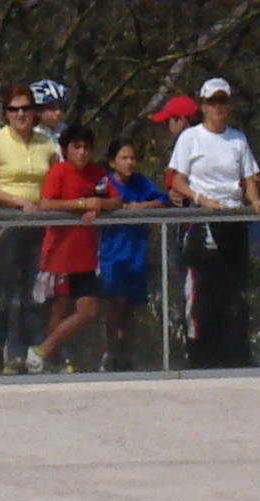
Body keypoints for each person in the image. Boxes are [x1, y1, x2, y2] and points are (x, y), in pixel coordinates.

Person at [166, 79, 260, 367]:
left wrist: (255, 200)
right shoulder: (190, 138)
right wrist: (202, 199)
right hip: (203, 221)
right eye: (212, 102)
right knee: (204, 291)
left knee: (234, 289)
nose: (218, 107)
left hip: (233, 219)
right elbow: (178, 181)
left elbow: (249, 180)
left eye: (223, 101)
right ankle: (201, 356)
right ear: (204, 106)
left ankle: (234, 354)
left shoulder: (238, 139)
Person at [33, 121, 112, 370]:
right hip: (59, 254)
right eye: (76, 147)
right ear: (66, 149)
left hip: (85, 256)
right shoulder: (59, 171)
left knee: (88, 310)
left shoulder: (96, 173)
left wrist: (99, 205)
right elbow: (46, 203)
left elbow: (114, 200)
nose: (82, 153)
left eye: (87, 147)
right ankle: (51, 361)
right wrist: (81, 204)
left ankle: (42, 351)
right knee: (58, 310)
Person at [94, 139, 168, 359]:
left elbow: (162, 201)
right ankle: (109, 352)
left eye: (132, 158)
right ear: (112, 162)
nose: (129, 163)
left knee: (130, 307)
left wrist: (142, 206)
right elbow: (94, 204)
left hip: (136, 252)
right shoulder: (104, 184)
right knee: (115, 303)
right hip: (111, 253)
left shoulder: (141, 183)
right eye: (124, 158)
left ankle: (126, 354)